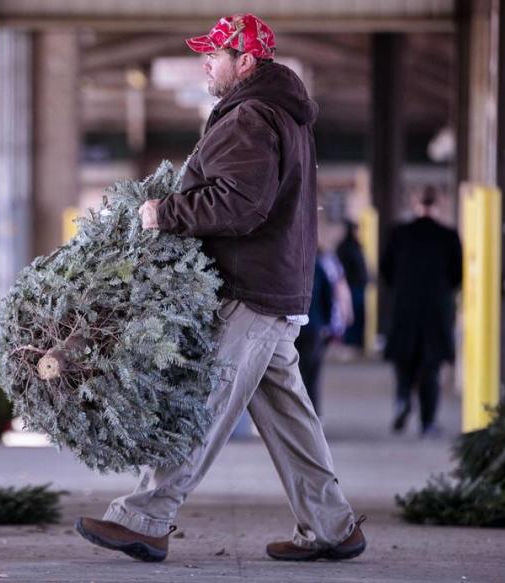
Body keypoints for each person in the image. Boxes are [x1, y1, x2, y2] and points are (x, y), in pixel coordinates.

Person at [75, 14, 366, 563]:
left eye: (215, 54)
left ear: (246, 63)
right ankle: (332, 527)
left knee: (202, 403)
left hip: (250, 288)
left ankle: (145, 517)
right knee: (290, 417)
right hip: (273, 285)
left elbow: (239, 202)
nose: (204, 62)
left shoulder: (251, 115)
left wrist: (163, 212)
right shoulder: (282, 114)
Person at [380, 186, 462, 436]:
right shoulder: (448, 235)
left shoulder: (399, 234)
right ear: (438, 206)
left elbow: (385, 270)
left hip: (405, 307)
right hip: (435, 311)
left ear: (416, 205)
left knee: (404, 362)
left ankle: (403, 400)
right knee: (431, 367)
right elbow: (457, 275)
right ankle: (428, 422)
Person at [295, 252, 334, 416]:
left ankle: (301, 411)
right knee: (311, 373)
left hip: (295, 326)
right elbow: (328, 297)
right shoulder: (317, 266)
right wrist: (327, 323)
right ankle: (313, 412)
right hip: (313, 326)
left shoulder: (290, 265)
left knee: (295, 372)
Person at [336, 221, 369, 348]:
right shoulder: (346, 247)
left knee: (360, 314)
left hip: (359, 286)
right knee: (350, 315)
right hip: (351, 286)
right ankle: (350, 342)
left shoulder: (356, 246)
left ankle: (358, 342)